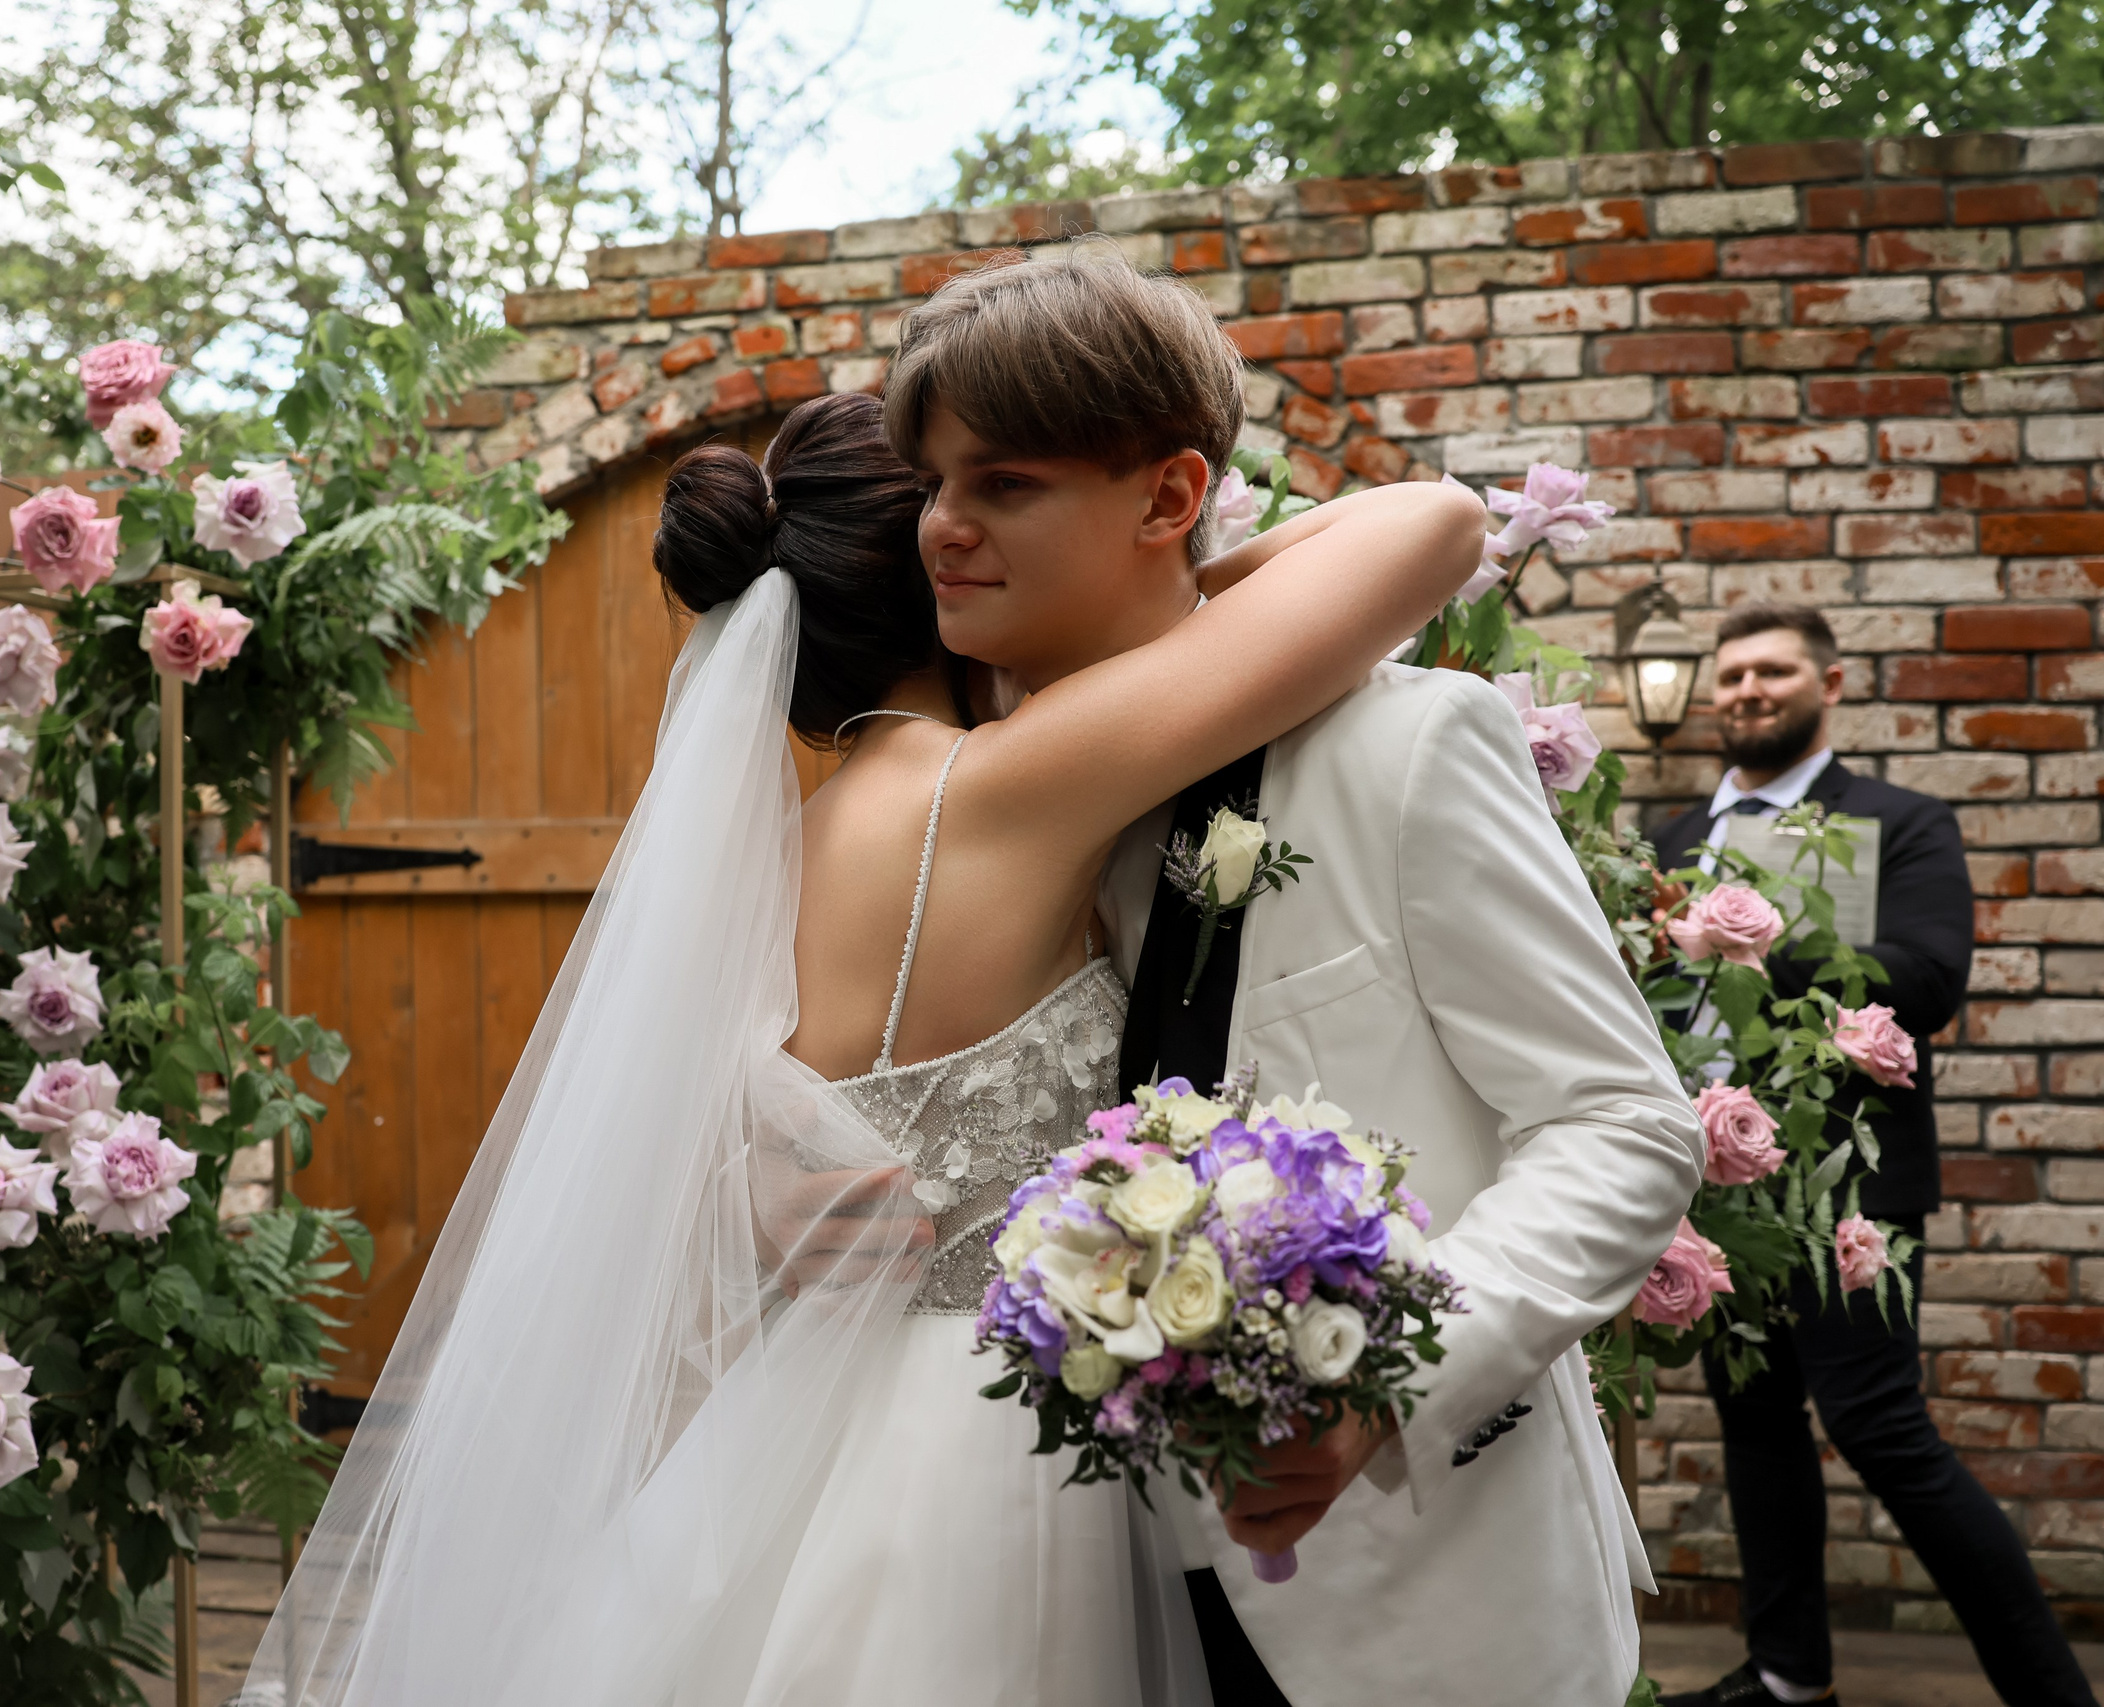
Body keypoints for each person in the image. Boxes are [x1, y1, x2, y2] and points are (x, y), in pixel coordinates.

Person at [236, 359, 1481, 1701]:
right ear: (932, 576)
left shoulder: (770, 867)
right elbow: (1434, 526)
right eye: (948, 506)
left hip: (793, 1439)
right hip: (999, 1450)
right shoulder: (1005, 787)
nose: (975, 528)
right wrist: (1169, 600)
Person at [886, 242, 1704, 1706]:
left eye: (1003, 483)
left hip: (1420, 1587)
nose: (944, 525)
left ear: (1170, 495)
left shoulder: (1409, 745)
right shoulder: (997, 805)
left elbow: (1625, 1124)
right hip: (1088, 1596)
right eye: (933, 485)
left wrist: (1379, 1382)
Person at [1649, 605, 2091, 1707]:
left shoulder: (1901, 820)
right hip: (1710, 1182)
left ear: (1830, 683)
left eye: (1774, 671)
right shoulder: (1661, 846)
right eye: (1732, 673)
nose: (1747, 689)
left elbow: (1930, 978)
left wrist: (1747, 943)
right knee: (1754, 1428)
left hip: (1850, 1184)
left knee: (1879, 1428)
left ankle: (2054, 1694)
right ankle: (1793, 1677)